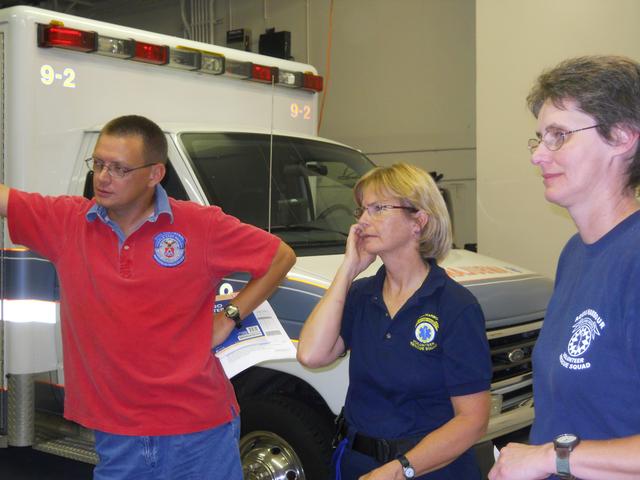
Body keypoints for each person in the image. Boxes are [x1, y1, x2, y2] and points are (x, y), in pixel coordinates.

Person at [0, 114, 296, 479]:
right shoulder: (68, 223)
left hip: (199, 430)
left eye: (119, 168)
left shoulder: (200, 226)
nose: (103, 177)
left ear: (155, 174)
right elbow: (5, 199)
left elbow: (280, 257)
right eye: (98, 164)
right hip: (117, 434)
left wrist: (229, 318)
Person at [488, 55, 640, 480]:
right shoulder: (575, 252)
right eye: (538, 138)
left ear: (623, 137)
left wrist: (547, 458)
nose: (538, 155)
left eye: (558, 135)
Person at [297, 162, 492, 480]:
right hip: (358, 463)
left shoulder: (454, 306)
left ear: (419, 221)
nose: (361, 222)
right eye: (361, 210)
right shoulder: (361, 294)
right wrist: (348, 269)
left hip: (427, 469)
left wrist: (400, 470)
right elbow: (311, 355)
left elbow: (473, 420)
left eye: (378, 208)